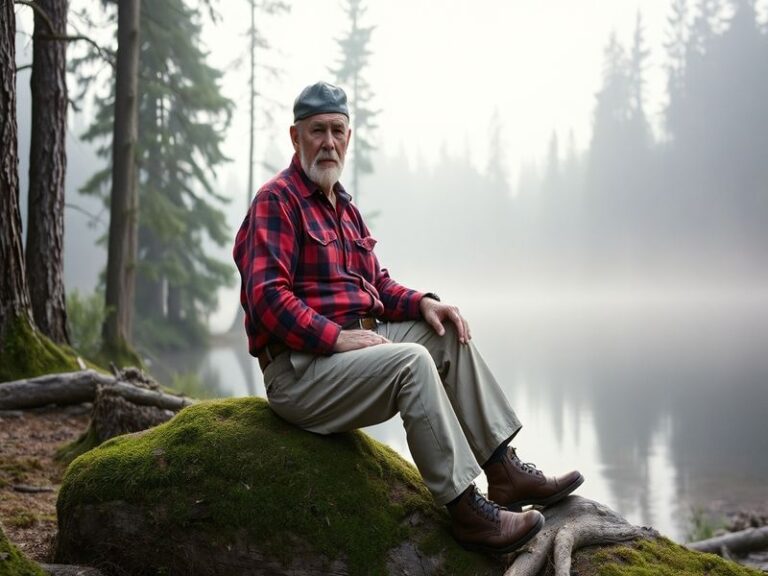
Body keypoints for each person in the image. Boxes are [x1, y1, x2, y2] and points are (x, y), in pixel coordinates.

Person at [233, 81, 584, 554]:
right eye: (317, 131)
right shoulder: (276, 201)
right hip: (298, 374)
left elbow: (377, 286)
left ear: (349, 137)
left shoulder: (345, 210)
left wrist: (423, 303)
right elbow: (265, 299)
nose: (329, 142)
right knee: (412, 362)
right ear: (295, 137)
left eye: (338, 130)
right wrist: (336, 338)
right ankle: (467, 513)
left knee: (443, 333)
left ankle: (503, 471)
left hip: (349, 356)